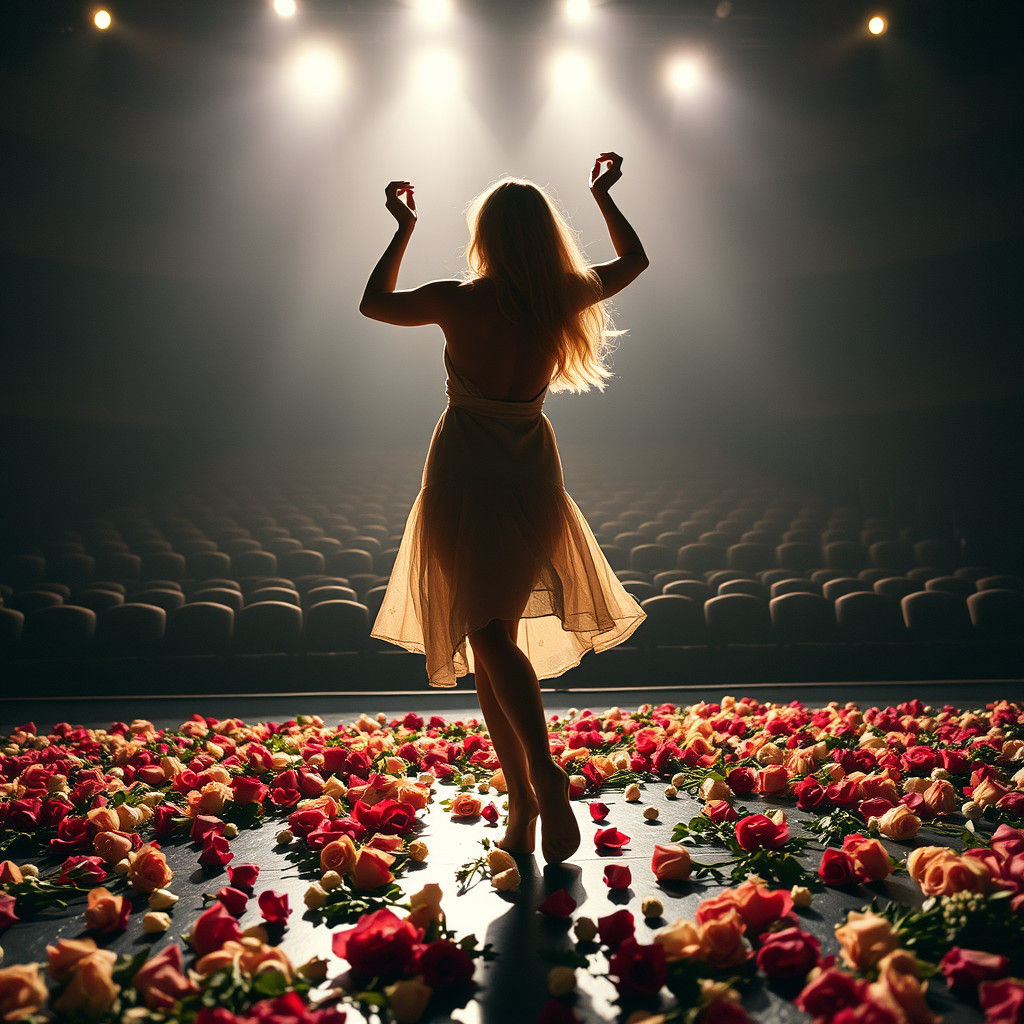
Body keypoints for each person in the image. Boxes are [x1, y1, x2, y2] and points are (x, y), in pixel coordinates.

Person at [359, 153, 649, 863]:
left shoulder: (459, 297)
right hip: (529, 466)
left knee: (486, 633)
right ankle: (523, 803)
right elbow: (635, 259)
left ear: (485, 233)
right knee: (492, 638)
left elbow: (372, 303)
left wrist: (400, 229)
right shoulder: (559, 297)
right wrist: (605, 197)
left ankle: (543, 777)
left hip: (465, 465)